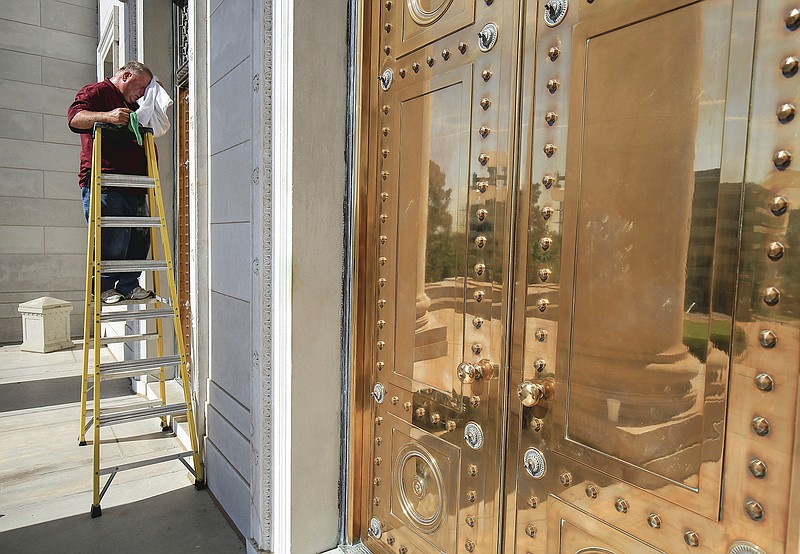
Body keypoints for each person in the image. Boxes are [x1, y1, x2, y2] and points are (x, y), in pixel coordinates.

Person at [68, 61, 156, 304]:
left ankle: (129, 284)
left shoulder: (134, 103)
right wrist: (107, 116)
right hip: (106, 180)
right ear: (126, 76)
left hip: (135, 182)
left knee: (139, 237)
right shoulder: (97, 92)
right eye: (142, 86)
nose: (142, 92)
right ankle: (105, 287)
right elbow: (76, 118)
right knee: (113, 237)